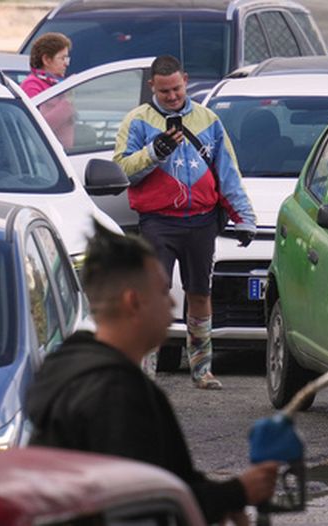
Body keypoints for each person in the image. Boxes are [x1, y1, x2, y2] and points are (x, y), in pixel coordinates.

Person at [26, 222, 278, 525]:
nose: (172, 303)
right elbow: (142, 504)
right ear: (134, 302)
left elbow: (164, 478)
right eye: (162, 291)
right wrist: (237, 492)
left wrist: (224, 497)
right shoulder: (115, 393)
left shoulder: (72, 367)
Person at [113, 55, 257, 389]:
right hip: (158, 222)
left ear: (186, 80)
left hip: (202, 222)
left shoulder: (208, 120)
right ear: (152, 87)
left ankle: (202, 369)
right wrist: (155, 152)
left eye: (176, 89)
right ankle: (144, 370)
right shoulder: (137, 121)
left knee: (200, 293)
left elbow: (227, 172)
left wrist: (245, 217)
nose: (172, 96)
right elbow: (122, 171)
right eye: (164, 91)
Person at [20, 32, 75, 149]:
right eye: (62, 58)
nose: (66, 64)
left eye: (67, 58)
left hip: (65, 151)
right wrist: (66, 103)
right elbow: (37, 125)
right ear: (46, 60)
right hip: (44, 154)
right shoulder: (31, 85)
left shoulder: (58, 84)